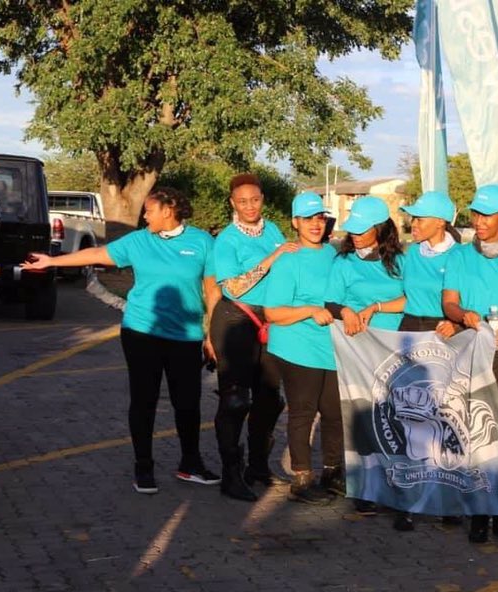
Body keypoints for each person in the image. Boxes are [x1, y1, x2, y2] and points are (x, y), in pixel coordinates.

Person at [22, 187, 220, 493]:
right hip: (141, 333)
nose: (144, 216)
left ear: (168, 210)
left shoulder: (202, 242)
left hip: (186, 335)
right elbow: (97, 254)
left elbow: (212, 291)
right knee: (144, 400)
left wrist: (213, 334)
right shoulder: (139, 241)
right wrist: (52, 261)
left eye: (149, 210)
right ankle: (144, 468)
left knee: (188, 403)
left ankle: (190, 465)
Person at [442, 184, 498, 545]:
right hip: (470, 346)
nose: (479, 221)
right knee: (473, 431)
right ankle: (477, 513)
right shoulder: (460, 256)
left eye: (487, 214)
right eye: (475, 214)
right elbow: (449, 303)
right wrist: (465, 316)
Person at [210, 173, 297, 502]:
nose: (250, 206)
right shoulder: (228, 240)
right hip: (236, 319)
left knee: (271, 398)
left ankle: (258, 466)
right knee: (235, 400)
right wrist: (272, 258)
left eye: (255, 199)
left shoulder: (272, 230)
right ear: (233, 202)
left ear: (262, 199)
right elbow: (231, 287)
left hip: (271, 319)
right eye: (242, 201)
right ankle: (231, 474)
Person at [379, 190, 461, 531]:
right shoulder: (412, 254)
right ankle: (406, 498)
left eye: (421, 218)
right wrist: (376, 308)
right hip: (412, 328)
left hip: (445, 334)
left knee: (446, 416)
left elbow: (461, 300)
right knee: (407, 414)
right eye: (413, 218)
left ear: (441, 222)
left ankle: (448, 498)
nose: (414, 224)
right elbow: (409, 298)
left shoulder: (461, 257)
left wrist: (456, 322)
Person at [325, 195, 405, 514]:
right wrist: (345, 310)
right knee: (365, 417)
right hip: (358, 352)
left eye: (362, 229)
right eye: (353, 229)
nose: (355, 234)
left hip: (394, 349)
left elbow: (411, 299)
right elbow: (330, 302)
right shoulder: (343, 262)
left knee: (394, 417)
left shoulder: (401, 261)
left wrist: (377, 307)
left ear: (381, 228)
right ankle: (366, 486)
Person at [262, 192, 339, 506]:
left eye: (320, 218)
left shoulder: (334, 254)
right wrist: (309, 310)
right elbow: (272, 313)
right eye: (308, 219)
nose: (315, 225)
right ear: (295, 222)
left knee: (334, 413)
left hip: (331, 347)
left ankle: (333, 474)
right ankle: (302, 476)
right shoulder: (288, 260)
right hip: (297, 347)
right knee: (303, 412)